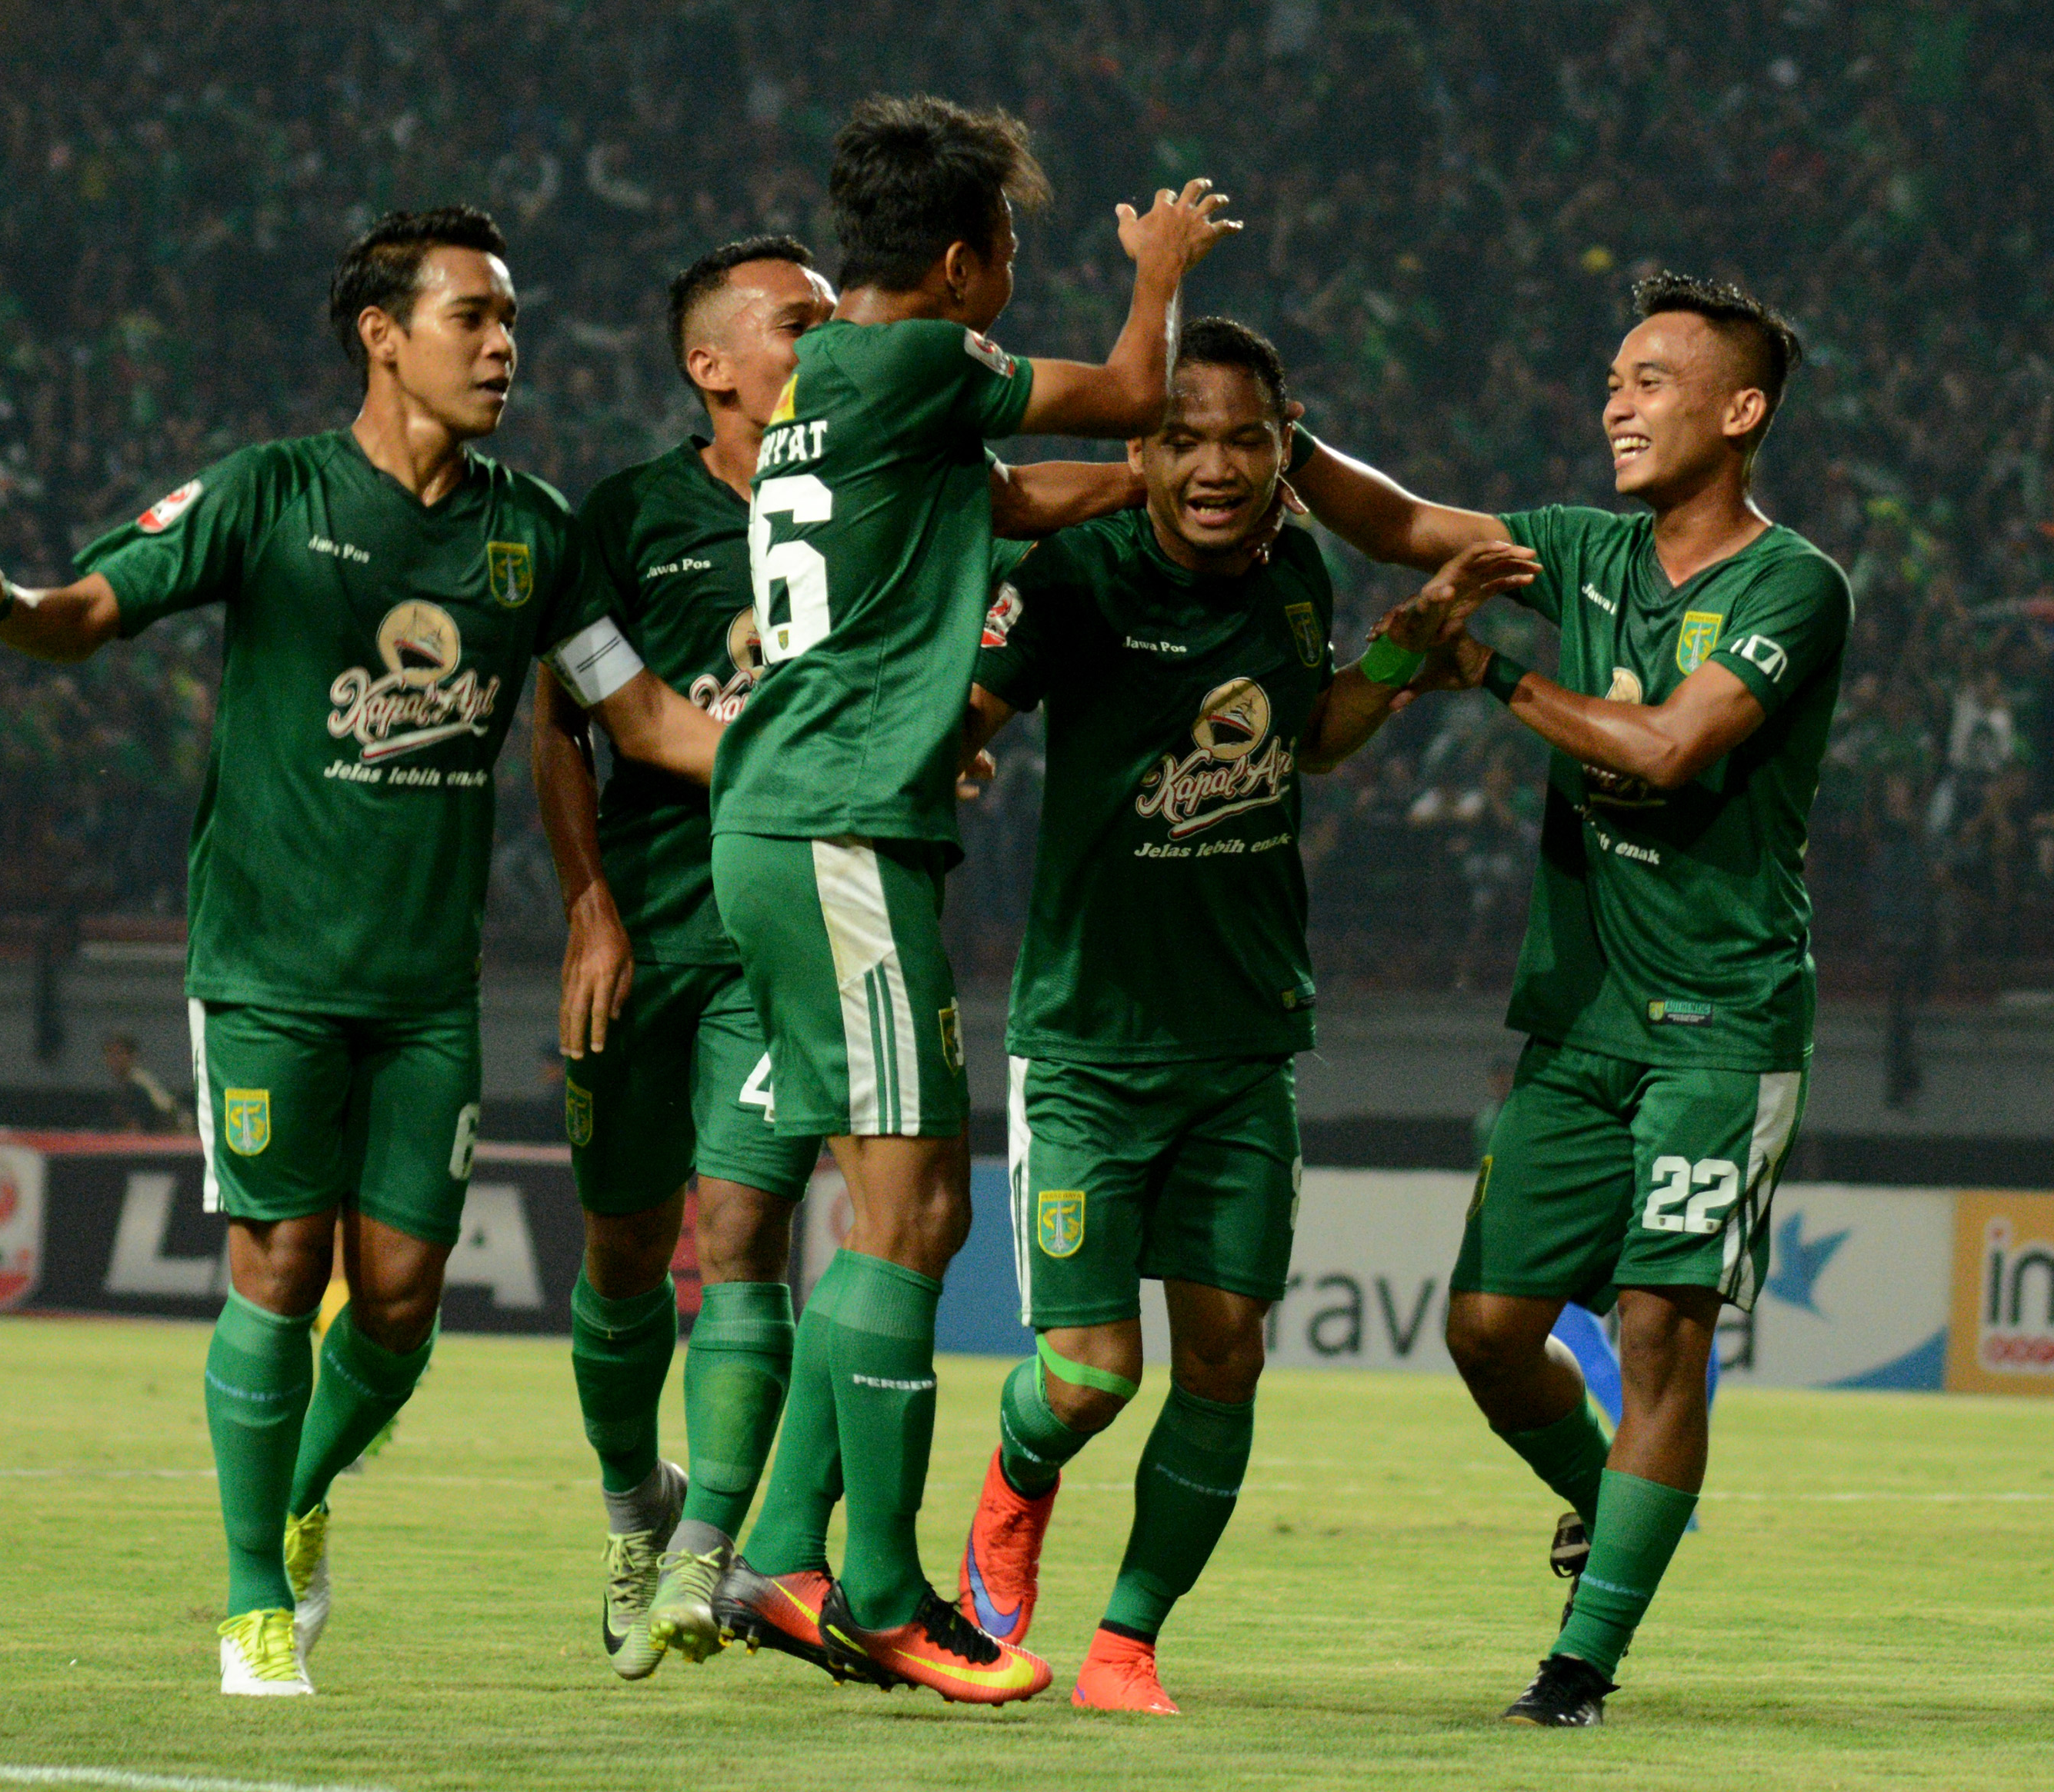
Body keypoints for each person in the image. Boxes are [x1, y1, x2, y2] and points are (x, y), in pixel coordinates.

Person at [0, 205, 720, 1697]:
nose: (503, 344)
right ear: (381, 335)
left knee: (401, 1307)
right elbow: (84, 611)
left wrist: (830, 768)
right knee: (281, 1265)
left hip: (425, 990)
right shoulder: (270, 491)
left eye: (510, 319)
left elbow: (647, 717)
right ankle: (250, 1601)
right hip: (271, 964)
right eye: (471, 316)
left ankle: (297, 1490)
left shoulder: (532, 529)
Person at [533, 233, 1145, 1684]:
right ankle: (659, 1516)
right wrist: (589, 902)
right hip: (692, 900)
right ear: (713, 364)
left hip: (780, 908)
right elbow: (587, 723)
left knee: (762, 1237)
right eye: (795, 322)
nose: (825, 341)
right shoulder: (628, 516)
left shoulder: (889, 468)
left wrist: (1147, 486)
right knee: (631, 1250)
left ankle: (725, 1556)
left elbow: (1010, 508)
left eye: (827, 314)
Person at [704, 93, 1236, 1705]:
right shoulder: (925, 360)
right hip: (841, 827)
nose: (1017, 274)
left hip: (794, 826)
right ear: (958, 264)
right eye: (1011, 251)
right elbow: (1135, 383)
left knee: (887, 1211)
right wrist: (1161, 267)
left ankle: (788, 1556)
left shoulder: (829, 392)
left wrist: (1127, 486)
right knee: (918, 1213)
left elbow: (992, 506)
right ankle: (875, 1586)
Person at [947, 317, 1532, 1713]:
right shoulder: (1075, 570)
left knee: (1224, 1357)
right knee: (1088, 1378)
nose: (1215, 465)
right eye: (1185, 435)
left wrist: (1404, 646)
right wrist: (949, 753)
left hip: (1243, 1045)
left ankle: (1127, 1644)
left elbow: (1313, 739)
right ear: (1139, 447)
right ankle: (1015, 1483)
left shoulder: (1294, 572)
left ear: (1287, 444)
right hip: (1088, 1042)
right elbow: (970, 707)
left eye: (1244, 438)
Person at [1292, 271, 1850, 1724]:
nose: (1618, 399)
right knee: (1484, 1330)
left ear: (1741, 412)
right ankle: (1597, 1497)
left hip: (1722, 1022)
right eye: (1614, 377)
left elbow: (1670, 748)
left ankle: (1578, 1670)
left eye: (1653, 379)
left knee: (1663, 1329)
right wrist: (1274, 442)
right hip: (1582, 1020)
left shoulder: (1791, 584)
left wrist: (1477, 665)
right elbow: (1406, 525)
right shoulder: (1581, 549)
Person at [102, 1031, 188, 1134]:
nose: (114, 1059)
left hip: (174, 1136)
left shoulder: (139, 1083)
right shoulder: (123, 1085)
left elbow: (167, 1113)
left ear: (132, 1056)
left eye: (119, 1054)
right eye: (110, 1054)